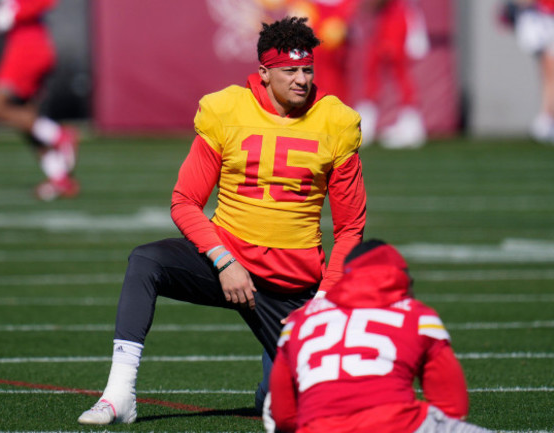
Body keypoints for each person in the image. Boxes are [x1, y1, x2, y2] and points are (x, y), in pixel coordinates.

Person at [77, 16, 366, 425]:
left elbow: (351, 226)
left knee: (292, 410)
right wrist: (224, 261)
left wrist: (327, 297)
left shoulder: (336, 121)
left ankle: (277, 380)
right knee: (146, 261)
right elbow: (184, 201)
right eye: (290, 72)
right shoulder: (226, 109)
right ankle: (119, 393)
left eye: (307, 70)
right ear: (264, 74)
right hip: (229, 260)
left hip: (292, 283)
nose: (301, 80)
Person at [264, 240, 494, 433]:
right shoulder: (419, 316)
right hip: (397, 425)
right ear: (402, 279)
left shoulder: (298, 321)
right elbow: (452, 408)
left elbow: (284, 416)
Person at [0, 0, 79, 200]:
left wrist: (4, 15)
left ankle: (59, 135)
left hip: (27, 50)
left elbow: (38, 5)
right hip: (28, 47)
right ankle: (60, 179)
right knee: (27, 120)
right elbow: (5, 20)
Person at [354, 0, 429, 149]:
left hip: (397, 18)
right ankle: (366, 124)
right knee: (374, 71)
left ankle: (410, 126)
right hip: (387, 18)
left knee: (400, 72)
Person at [509, 0, 554, 146]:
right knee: (548, 71)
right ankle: (549, 117)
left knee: (553, 71)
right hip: (541, 18)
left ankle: (550, 118)